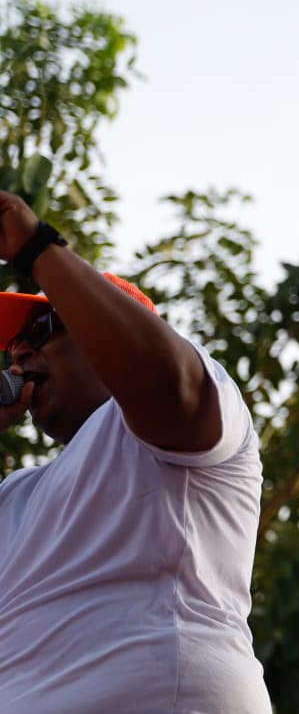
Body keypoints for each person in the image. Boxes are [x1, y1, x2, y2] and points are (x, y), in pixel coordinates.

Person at [0, 189, 272, 713]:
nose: (20, 352)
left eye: (41, 328)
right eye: (12, 348)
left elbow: (164, 381)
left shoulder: (181, 411)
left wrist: (36, 249)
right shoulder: (16, 494)